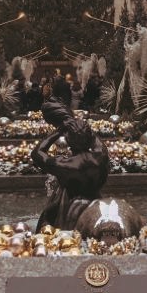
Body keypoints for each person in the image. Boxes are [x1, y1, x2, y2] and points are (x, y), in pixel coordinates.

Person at [30, 99, 110, 231]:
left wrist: (59, 130)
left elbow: (37, 153)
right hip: (97, 202)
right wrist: (81, 126)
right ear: (90, 137)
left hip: (69, 209)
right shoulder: (101, 158)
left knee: (46, 219)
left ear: (68, 139)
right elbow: (97, 143)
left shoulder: (64, 165)